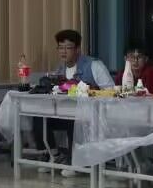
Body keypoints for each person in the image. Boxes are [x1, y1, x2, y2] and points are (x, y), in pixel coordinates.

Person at [33, 30, 113, 177]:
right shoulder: (60, 69)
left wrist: (90, 90)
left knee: (74, 120)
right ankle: (54, 154)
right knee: (38, 116)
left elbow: (111, 91)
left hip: (91, 115)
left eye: (68, 48)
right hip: (64, 112)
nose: (63, 52)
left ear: (77, 49)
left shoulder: (94, 65)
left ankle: (75, 162)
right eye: (60, 47)